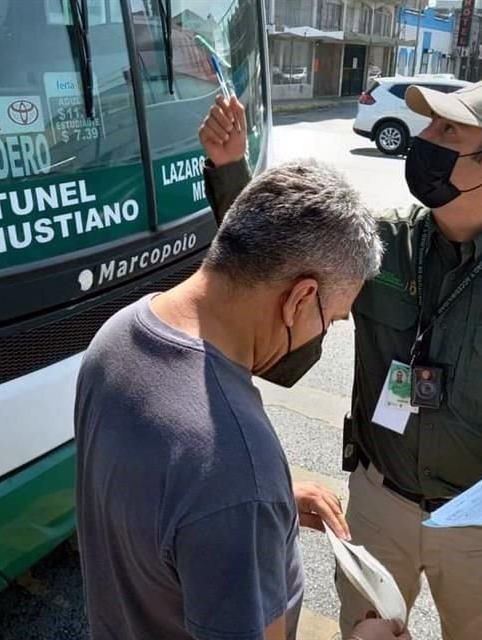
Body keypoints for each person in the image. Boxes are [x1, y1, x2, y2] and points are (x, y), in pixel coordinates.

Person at [199, 79, 482, 640]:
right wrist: (230, 168)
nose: (424, 137)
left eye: (447, 129)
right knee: (368, 632)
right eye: (428, 124)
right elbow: (272, 265)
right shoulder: (381, 243)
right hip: (381, 504)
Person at [74, 130, 409, 640]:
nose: (326, 332)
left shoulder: (118, 334)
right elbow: (217, 481)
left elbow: (156, 495)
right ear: (300, 299)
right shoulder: (237, 467)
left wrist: (270, 503)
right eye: (333, 318)